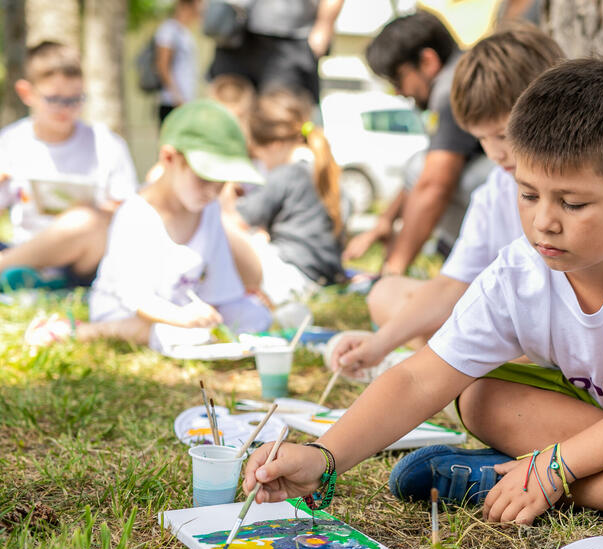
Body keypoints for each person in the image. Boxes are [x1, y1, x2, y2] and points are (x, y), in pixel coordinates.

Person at [240, 58, 603, 543]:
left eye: (573, 203)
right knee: (477, 395)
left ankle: (509, 479)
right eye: (529, 193)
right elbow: (420, 379)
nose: (544, 222)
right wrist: (324, 456)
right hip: (602, 421)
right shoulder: (519, 271)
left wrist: (558, 465)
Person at [327, 25, 565, 378]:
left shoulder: (576, 190)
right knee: (386, 294)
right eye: (482, 139)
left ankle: (456, 370)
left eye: (502, 135)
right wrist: (380, 344)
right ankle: (456, 368)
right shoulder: (496, 189)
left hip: (560, 339)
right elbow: (453, 284)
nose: (495, 152)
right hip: (513, 332)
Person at [24, 100, 271, 351]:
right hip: (129, 312)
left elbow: (220, 288)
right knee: (171, 334)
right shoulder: (136, 213)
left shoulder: (209, 209)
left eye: (221, 182)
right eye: (204, 177)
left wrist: (212, 315)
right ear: (169, 157)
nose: (213, 191)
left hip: (183, 311)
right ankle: (81, 331)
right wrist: (182, 319)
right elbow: (137, 299)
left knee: (256, 315)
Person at [344, 11, 492, 277]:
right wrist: (386, 220)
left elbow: (434, 183)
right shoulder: (464, 70)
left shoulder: (450, 89)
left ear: (427, 61)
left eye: (397, 79)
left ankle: (471, 265)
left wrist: (393, 270)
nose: (399, 92)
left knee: (423, 167)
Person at [0, 41, 137, 288]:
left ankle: (12, 271)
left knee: (85, 222)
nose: (65, 109)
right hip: (24, 246)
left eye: (75, 99)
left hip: (83, 258)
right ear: (27, 93)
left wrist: (104, 212)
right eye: (54, 99)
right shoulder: (11, 141)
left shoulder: (106, 144)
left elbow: (129, 214)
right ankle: (28, 276)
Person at [221, 87, 346, 306]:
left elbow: (236, 221)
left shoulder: (287, 173)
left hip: (294, 277)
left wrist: (226, 189)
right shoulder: (322, 166)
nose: (260, 161)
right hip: (324, 274)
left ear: (275, 145)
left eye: (257, 152)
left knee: (221, 227)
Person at [207, 0, 344, 103]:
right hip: (232, 29)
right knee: (226, 108)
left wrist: (325, 24)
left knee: (282, 115)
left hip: (289, 38)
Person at [155, 0, 202, 124]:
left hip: (186, 102)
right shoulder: (169, 29)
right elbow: (162, 65)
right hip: (172, 103)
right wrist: (177, 97)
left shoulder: (185, 32)